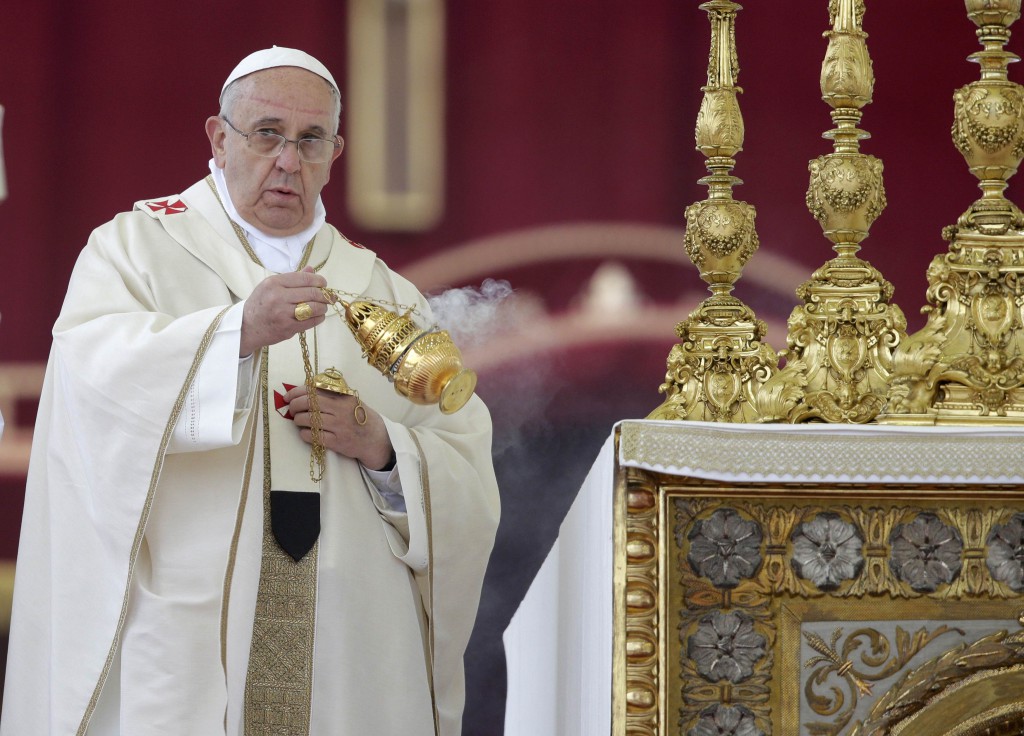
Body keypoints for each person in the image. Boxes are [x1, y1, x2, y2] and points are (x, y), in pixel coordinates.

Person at [0, 47, 500, 736]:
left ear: (335, 151)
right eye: (266, 134)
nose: (288, 162)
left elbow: (464, 465)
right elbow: (89, 388)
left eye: (309, 140)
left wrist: (384, 446)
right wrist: (232, 334)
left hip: (347, 650)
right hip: (187, 632)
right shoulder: (136, 248)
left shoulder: (380, 289)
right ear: (219, 137)